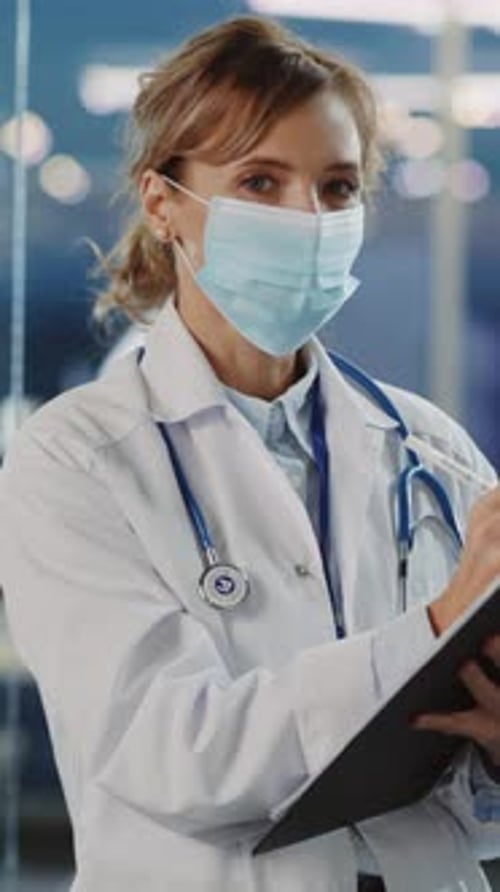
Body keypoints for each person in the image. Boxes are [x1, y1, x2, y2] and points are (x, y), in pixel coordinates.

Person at [0, 15, 499, 892]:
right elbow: (169, 752)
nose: (305, 219)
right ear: (164, 205)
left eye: (337, 188)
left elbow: (474, 805)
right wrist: (427, 631)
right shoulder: (71, 461)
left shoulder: (435, 454)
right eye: (260, 181)